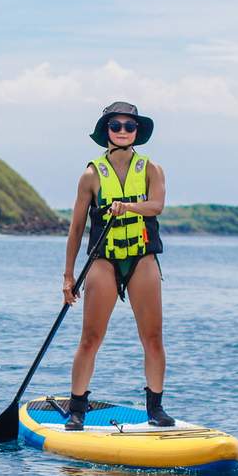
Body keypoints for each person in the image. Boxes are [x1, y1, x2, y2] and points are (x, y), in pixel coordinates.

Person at [61, 101, 174, 429]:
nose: (123, 131)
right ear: (106, 131)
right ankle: (78, 407)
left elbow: (157, 206)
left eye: (130, 126)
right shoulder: (91, 175)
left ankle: (155, 408)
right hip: (103, 259)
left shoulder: (152, 169)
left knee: (153, 337)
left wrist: (128, 207)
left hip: (142, 257)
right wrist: (68, 276)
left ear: (137, 131)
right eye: (116, 126)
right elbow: (76, 228)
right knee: (90, 338)